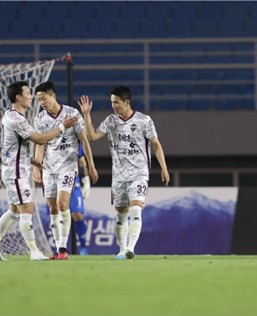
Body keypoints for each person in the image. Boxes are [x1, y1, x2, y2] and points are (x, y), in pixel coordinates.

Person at [0, 80, 78, 261]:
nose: (30, 96)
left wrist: (33, 160)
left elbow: (15, 147)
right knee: (27, 208)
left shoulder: (13, 116)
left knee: (14, 211)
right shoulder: (15, 118)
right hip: (16, 172)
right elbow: (40, 139)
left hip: (17, 168)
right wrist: (62, 127)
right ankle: (34, 252)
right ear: (18, 97)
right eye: (27, 93)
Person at [79, 85, 170, 260]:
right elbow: (91, 136)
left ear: (127, 102)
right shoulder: (111, 121)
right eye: (112, 102)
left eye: (116, 102)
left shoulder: (144, 121)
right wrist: (86, 114)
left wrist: (164, 168)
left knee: (136, 209)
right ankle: (122, 249)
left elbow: (156, 144)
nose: (113, 106)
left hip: (139, 173)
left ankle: (130, 248)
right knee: (121, 213)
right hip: (119, 175)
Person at [32, 81, 98, 260]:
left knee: (63, 205)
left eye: (44, 98)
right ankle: (58, 248)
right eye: (39, 100)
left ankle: (62, 250)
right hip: (49, 169)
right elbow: (40, 143)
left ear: (53, 96)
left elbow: (84, 140)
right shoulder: (40, 119)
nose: (42, 102)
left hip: (68, 167)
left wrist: (91, 166)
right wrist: (37, 166)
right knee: (52, 208)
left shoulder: (72, 113)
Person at [71, 145, 91, 255]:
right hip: (54, 178)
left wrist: (86, 179)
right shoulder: (49, 132)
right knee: (56, 213)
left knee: (77, 214)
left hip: (73, 180)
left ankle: (83, 247)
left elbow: (81, 159)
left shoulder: (73, 134)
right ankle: (59, 247)